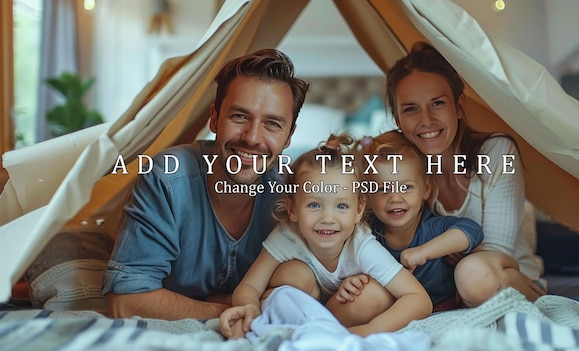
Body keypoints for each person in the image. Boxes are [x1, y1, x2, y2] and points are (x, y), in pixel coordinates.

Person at [102, 48, 309, 320]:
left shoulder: (291, 192)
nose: (252, 138)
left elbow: (310, 284)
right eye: (239, 117)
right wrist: (225, 308)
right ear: (214, 118)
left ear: (289, 136)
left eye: (272, 124)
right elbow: (126, 301)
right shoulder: (166, 177)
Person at [219, 134, 432, 339]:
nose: (328, 218)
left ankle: (320, 331)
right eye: (314, 205)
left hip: (339, 311)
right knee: (296, 274)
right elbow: (249, 287)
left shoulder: (362, 247)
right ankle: (296, 325)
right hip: (297, 303)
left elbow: (419, 299)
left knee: (375, 295)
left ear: (358, 210)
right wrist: (249, 308)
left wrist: (370, 330)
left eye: (341, 206)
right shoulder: (287, 236)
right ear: (292, 209)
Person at [385, 42, 546, 306]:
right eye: (411, 109)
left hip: (502, 270)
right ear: (397, 118)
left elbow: (497, 249)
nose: (426, 120)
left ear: (458, 107)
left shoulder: (497, 151)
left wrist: (450, 249)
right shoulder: (401, 167)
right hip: (443, 284)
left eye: (437, 103)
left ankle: (532, 293)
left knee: (473, 275)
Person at [350, 130, 484, 311]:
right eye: (383, 189)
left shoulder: (432, 227)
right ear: (367, 196)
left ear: (426, 189)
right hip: (396, 308)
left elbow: (472, 230)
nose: (395, 198)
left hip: (443, 305)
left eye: (406, 187)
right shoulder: (368, 233)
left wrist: (424, 252)